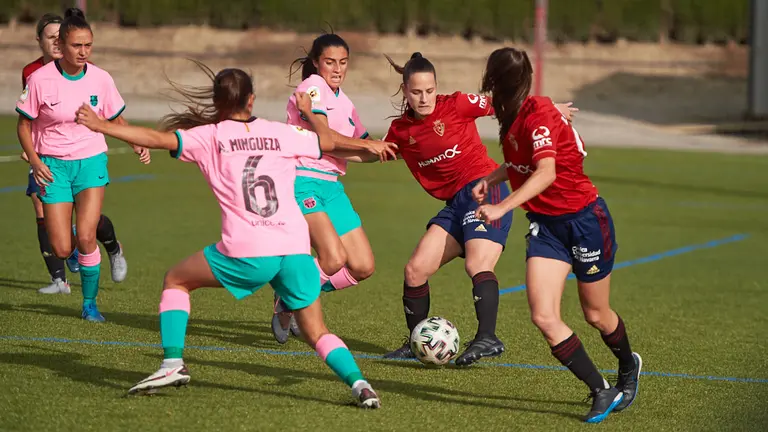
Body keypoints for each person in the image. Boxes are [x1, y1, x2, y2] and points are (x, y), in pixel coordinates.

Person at [75, 63, 382, 408]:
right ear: (251, 100)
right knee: (316, 332)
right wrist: (309, 112)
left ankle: (172, 364)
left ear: (217, 102)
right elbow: (326, 142)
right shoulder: (280, 133)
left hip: (249, 249)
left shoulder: (210, 136)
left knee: (176, 280)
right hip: (295, 248)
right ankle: (360, 385)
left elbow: (156, 139)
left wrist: (100, 125)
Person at [473, 47, 641, 423]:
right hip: (546, 228)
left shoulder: (537, 117)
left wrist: (501, 206)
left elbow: (545, 171)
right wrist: (492, 178)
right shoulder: (515, 111)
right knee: (543, 315)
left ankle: (628, 367)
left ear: (497, 81)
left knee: (596, 314)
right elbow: (521, 162)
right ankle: (602, 390)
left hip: (584, 220)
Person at [16, 8, 150, 321]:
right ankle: (86, 242)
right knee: (62, 248)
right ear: (60, 46)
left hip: (90, 161)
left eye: (88, 45)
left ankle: (90, 304)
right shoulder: (39, 80)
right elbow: (24, 126)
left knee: (87, 237)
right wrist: (35, 160)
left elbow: (115, 117)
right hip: (53, 167)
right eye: (77, 45)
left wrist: (135, 142)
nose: (83, 51)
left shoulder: (101, 78)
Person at [271, 33, 398, 343]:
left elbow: (356, 150)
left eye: (343, 63)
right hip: (302, 180)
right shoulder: (312, 88)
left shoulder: (346, 102)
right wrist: (370, 145)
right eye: (330, 62)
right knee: (332, 259)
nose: (337, 69)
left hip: (332, 186)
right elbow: (326, 138)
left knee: (363, 266)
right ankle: (292, 297)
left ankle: (291, 297)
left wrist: (393, 150)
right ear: (316, 63)